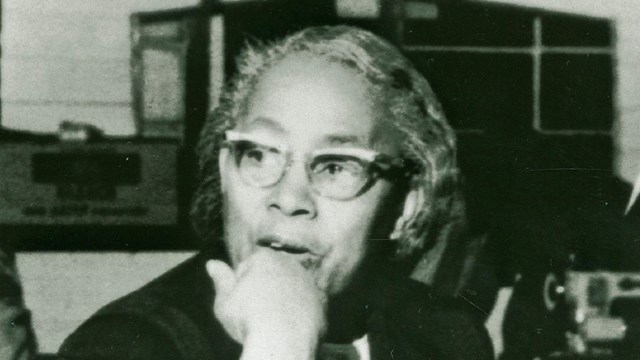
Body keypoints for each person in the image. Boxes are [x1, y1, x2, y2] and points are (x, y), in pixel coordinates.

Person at [58, 25, 493, 360]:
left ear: (405, 207)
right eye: (261, 155)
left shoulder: (445, 335)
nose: (288, 198)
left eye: (336, 166)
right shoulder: (130, 345)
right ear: (227, 172)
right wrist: (277, 344)